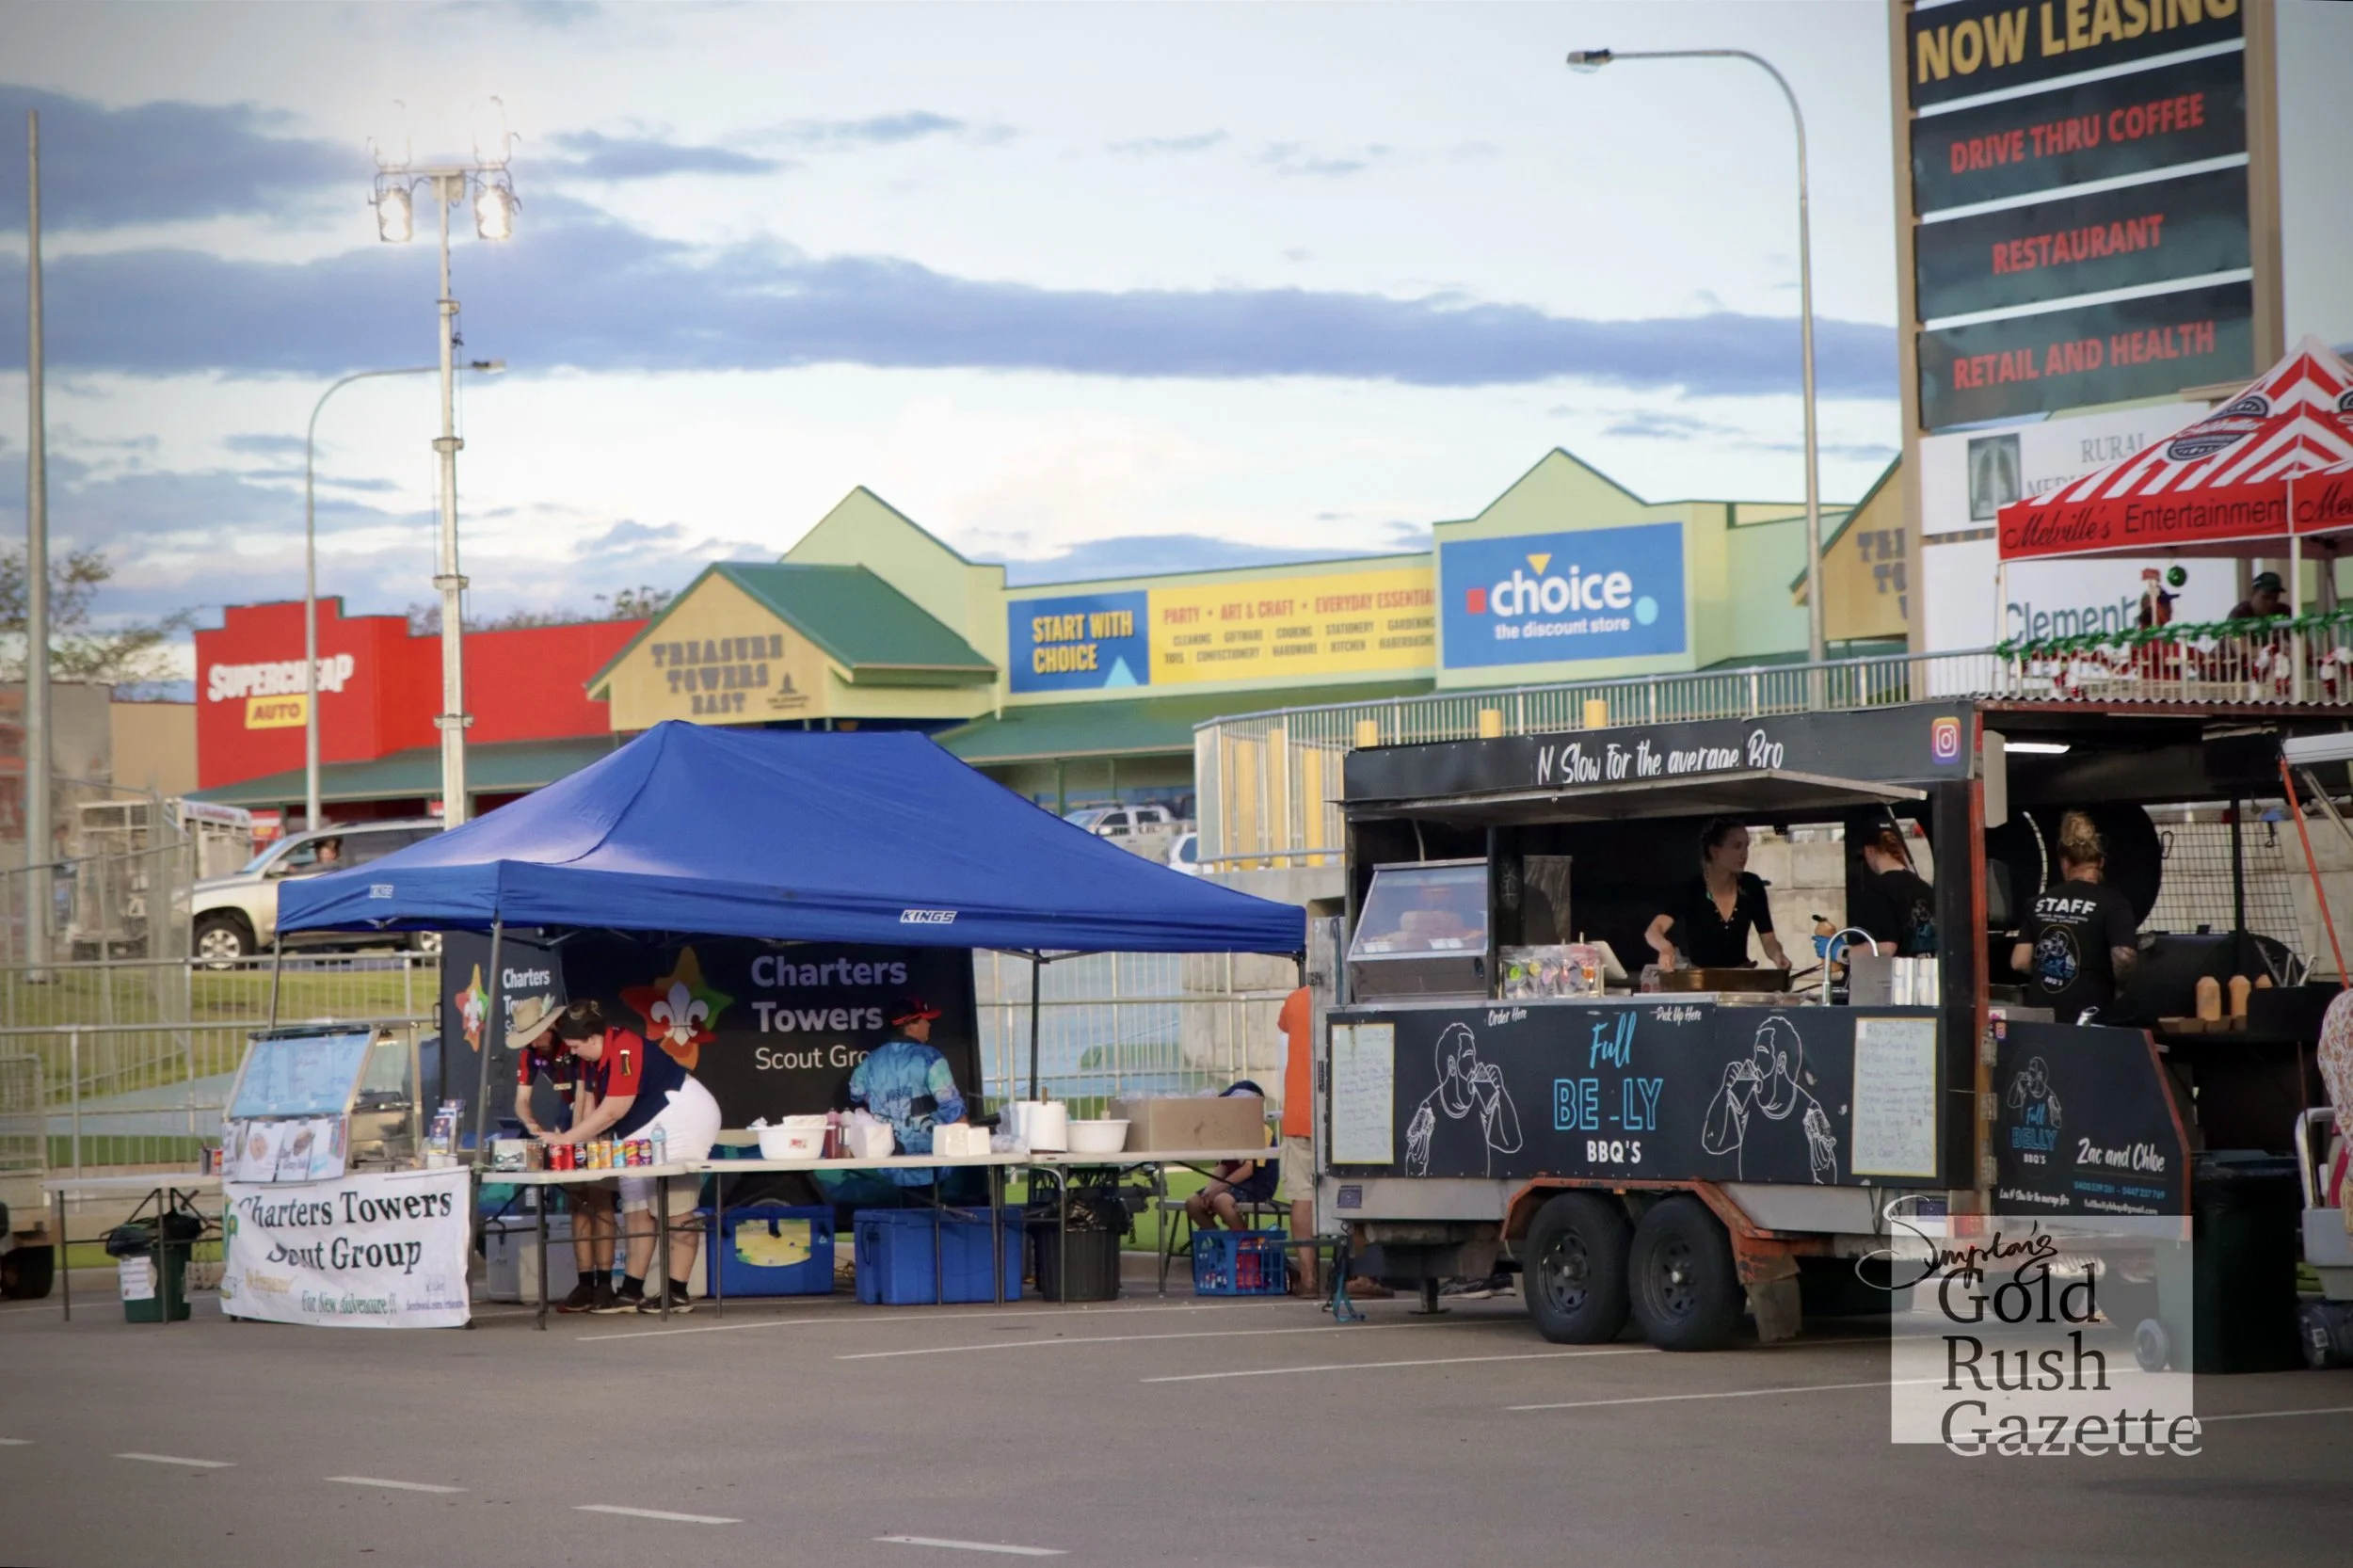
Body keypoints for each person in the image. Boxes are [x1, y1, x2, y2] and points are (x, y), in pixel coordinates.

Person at [541, 1000, 721, 1314]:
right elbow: (594, 1106)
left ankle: (677, 1291)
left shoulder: (624, 1047)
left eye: (575, 1046)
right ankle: (631, 1290)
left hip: (679, 1116)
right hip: (640, 1127)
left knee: (674, 1209)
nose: (573, 1052)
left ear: (593, 1039)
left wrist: (565, 1141)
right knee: (636, 1206)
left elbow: (613, 1110)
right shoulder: (594, 1057)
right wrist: (583, 1145)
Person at [506, 994, 618, 1313]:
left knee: (600, 1197)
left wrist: (578, 1136)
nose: (534, 1042)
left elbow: (586, 1091)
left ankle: (606, 1281)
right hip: (567, 1117)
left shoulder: (572, 1040)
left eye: (537, 1034)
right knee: (577, 1200)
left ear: (550, 1026)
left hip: (594, 1111)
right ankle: (585, 1281)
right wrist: (531, 1123)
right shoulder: (530, 1053)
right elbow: (521, 1099)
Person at [2011, 812, 2140, 1024]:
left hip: (2042, 1013)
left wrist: (2050, 972)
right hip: (2089, 1014)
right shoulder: (2114, 903)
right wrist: (2119, 990)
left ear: (2065, 862)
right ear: (2100, 862)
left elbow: (2019, 961)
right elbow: (2124, 958)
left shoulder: (2037, 902)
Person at [845, 998, 968, 1189]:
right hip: (931, 1162)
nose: (928, 1024)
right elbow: (951, 1105)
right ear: (909, 1027)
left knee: (901, 1214)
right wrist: (967, 1137)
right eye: (924, 1020)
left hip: (888, 1161)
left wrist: (882, 1102)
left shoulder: (870, 1062)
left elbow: (855, 1092)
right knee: (931, 1214)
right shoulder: (930, 1057)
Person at [1645, 818, 1790, 972]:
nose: (1744, 854)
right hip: (1701, 982)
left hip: (1741, 980)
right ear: (1715, 851)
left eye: (1746, 846)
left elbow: (1768, 939)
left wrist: (1777, 955)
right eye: (1737, 846)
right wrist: (1665, 948)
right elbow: (1653, 930)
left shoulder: (1752, 885)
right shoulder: (1693, 889)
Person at [1184, 1080, 1280, 1235]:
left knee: (1222, 1201)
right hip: (1232, 1185)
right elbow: (1223, 1166)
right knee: (1193, 1203)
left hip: (1257, 1185)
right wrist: (1209, 1190)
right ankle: (1221, 1244)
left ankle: (1247, 1246)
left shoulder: (1262, 1130)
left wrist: (1218, 1190)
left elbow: (1249, 1169)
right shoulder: (1232, 1131)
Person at [1850, 825, 1937, 958]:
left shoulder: (1877, 890)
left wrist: (1843, 953)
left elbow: (1885, 947)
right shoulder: (1924, 887)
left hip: (1899, 975)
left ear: (1869, 851)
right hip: (1928, 973)